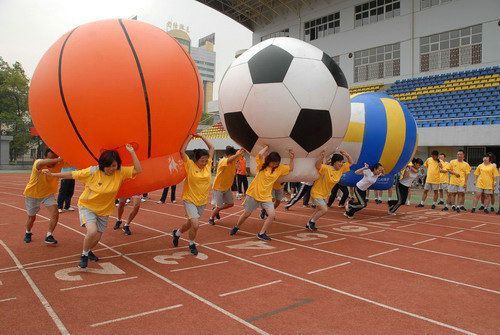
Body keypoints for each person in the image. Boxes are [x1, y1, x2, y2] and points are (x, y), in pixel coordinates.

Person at [44, 144, 141, 268]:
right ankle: (84, 255)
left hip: (104, 210)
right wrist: (52, 175)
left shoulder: (120, 172)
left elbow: (138, 170)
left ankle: (88, 250)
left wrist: (132, 152)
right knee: (92, 231)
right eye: (108, 166)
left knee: (97, 236)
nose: (111, 169)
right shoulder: (93, 171)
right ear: (102, 165)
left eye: (114, 166)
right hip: (87, 206)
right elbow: (72, 174)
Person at [229, 146, 294, 240]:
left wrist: (292, 158)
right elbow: (259, 155)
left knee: (272, 215)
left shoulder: (280, 168)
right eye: (274, 163)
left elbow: (291, 168)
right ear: (269, 161)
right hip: (254, 194)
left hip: (266, 196)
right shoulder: (262, 166)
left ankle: (261, 233)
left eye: (277, 163)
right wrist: (266, 148)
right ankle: (236, 227)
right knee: (246, 214)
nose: (275, 165)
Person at [172, 134, 214, 255]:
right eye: (202, 160)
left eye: (206, 160)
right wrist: (190, 137)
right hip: (190, 199)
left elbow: (211, 148)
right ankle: (191, 243)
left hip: (202, 201)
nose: (205, 162)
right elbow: (182, 151)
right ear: (196, 159)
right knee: (195, 224)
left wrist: (201, 137)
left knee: (190, 224)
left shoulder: (208, 165)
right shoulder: (190, 165)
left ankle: (177, 233)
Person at [23, 148, 66, 244]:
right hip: (32, 194)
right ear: (45, 158)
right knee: (32, 217)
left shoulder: (59, 163)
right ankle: (28, 232)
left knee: (55, 213)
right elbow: (45, 162)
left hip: (48, 194)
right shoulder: (39, 163)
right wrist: (59, 159)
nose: (53, 161)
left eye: (55, 157)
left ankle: (49, 235)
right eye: (51, 158)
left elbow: (74, 162)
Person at [307, 150, 352, 230]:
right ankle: (312, 222)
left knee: (318, 209)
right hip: (317, 192)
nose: (341, 164)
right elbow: (317, 166)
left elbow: (351, 163)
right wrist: (321, 157)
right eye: (339, 162)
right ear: (334, 162)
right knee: (324, 209)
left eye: (342, 162)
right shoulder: (326, 168)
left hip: (325, 194)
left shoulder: (341, 169)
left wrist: (346, 155)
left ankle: (308, 223)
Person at [208, 146, 245, 225]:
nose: (233, 157)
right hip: (218, 187)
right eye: (231, 155)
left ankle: (216, 209)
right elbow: (230, 159)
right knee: (219, 206)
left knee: (231, 204)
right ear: (227, 155)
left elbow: (239, 154)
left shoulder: (234, 159)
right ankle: (211, 218)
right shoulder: (223, 160)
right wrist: (236, 154)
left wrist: (242, 149)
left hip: (227, 187)